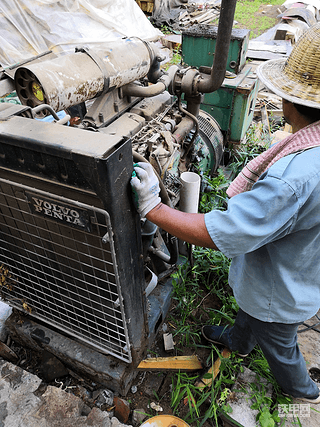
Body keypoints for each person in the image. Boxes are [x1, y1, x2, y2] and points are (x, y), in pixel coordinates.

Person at [130, 23, 320, 403]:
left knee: (280, 343)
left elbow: (222, 233)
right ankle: (239, 340)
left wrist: (153, 206)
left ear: (290, 101)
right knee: (251, 316)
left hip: (280, 292)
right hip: (299, 267)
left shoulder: (293, 178)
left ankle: (304, 391)